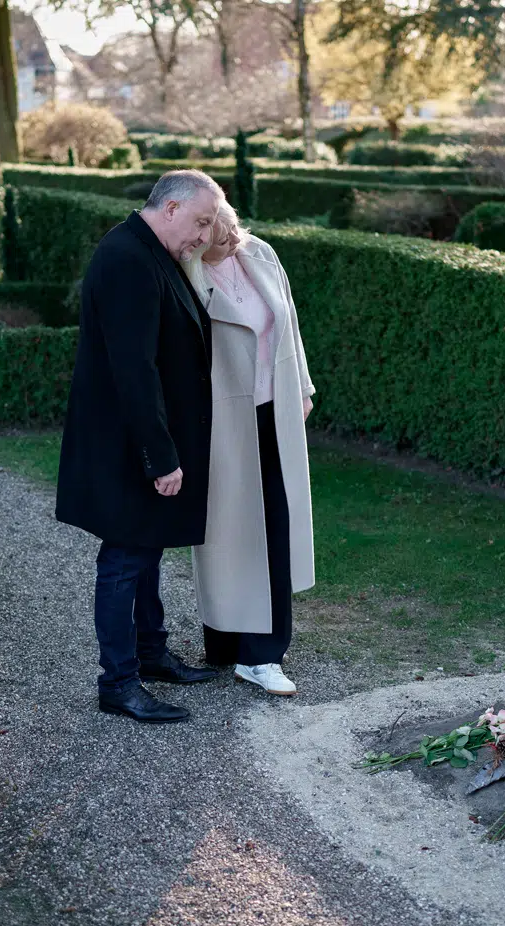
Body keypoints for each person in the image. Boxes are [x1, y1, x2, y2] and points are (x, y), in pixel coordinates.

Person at [56, 170, 224, 724]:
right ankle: (118, 682)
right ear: (171, 208)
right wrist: (161, 455)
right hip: (127, 442)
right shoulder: (128, 258)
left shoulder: (150, 250)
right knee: (125, 559)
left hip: (142, 436)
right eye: (201, 221)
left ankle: (151, 654)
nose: (204, 235)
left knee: (147, 548)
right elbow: (134, 369)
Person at [184, 203, 316, 696]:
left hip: (274, 409)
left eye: (235, 227)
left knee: (274, 527)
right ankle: (224, 643)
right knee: (225, 531)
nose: (235, 239)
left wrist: (302, 387)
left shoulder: (260, 253)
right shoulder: (186, 272)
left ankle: (264, 655)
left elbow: (288, 321)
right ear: (199, 236)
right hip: (220, 420)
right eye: (222, 236)